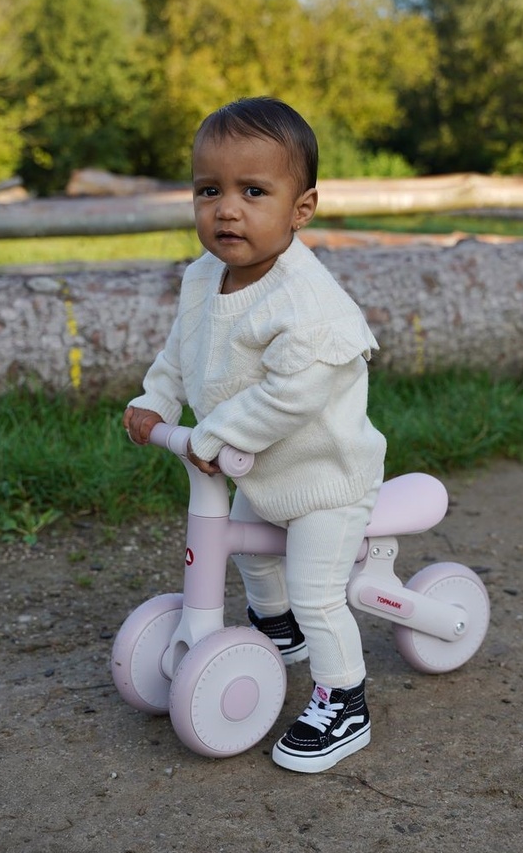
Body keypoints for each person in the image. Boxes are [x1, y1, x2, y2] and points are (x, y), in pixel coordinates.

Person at [123, 97, 386, 773]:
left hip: (324, 480)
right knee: (252, 561)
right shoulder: (202, 277)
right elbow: (181, 353)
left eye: (253, 191)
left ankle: (344, 701)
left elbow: (289, 396)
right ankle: (277, 636)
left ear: (301, 208)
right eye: (209, 190)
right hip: (256, 472)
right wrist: (156, 401)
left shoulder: (310, 306)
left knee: (317, 592)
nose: (226, 209)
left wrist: (210, 433)